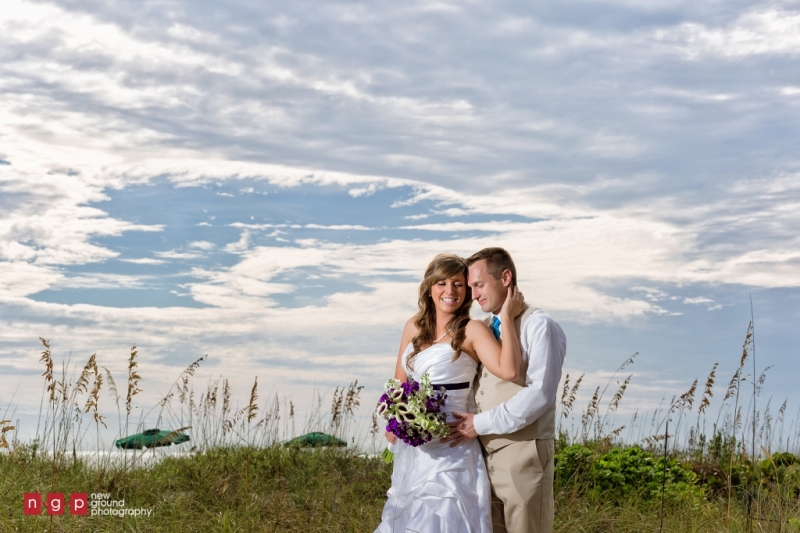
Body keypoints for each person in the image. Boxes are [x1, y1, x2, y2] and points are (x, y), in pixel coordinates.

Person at [375, 253, 525, 533]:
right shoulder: (413, 326)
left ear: (467, 291)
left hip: (452, 448)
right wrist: (395, 421)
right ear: (429, 288)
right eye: (441, 283)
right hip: (415, 448)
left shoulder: (472, 329)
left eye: (458, 284)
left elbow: (510, 370)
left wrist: (506, 316)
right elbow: (399, 384)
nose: (449, 291)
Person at [443, 247, 567, 533]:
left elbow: (539, 394)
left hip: (523, 453)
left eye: (479, 285)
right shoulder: (485, 328)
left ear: (506, 277)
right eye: (471, 287)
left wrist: (480, 423)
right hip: (482, 455)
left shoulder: (539, 325)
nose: (473, 295)